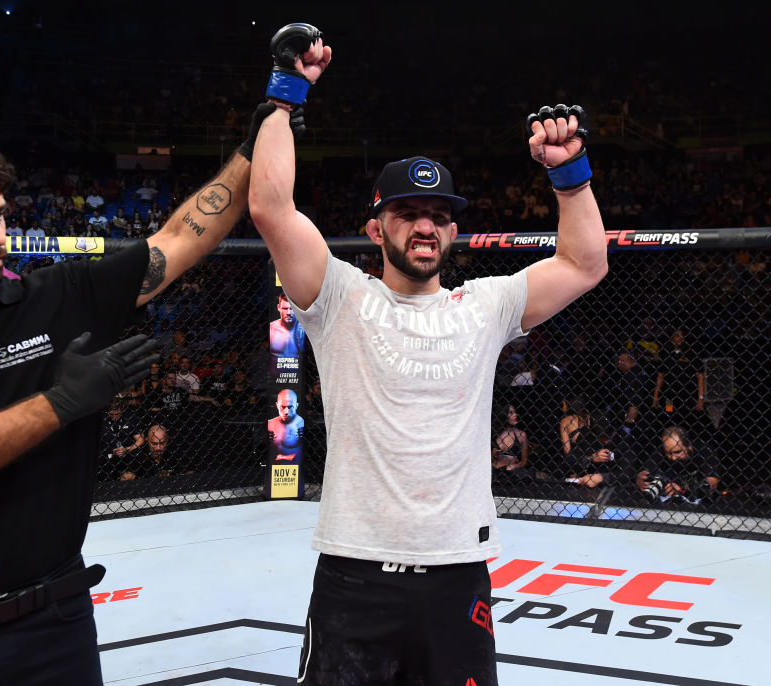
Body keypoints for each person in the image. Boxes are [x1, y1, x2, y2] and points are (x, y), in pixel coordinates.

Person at [0, 102, 295, 685]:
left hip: (53, 622)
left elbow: (181, 237)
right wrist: (59, 403)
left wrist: (266, 124)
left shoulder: (57, 297)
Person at [247, 24, 607, 685]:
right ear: (375, 225)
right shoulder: (339, 298)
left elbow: (584, 263)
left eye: (438, 214)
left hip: (457, 573)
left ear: (453, 229)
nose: (424, 226)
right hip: (354, 571)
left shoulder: (487, 305)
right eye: (408, 212)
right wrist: (285, 91)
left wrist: (569, 173)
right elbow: (271, 207)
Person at [635, 426, 721, 505]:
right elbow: (646, 473)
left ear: (689, 446)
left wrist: (683, 490)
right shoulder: (660, 452)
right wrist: (641, 479)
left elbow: (711, 483)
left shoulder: (705, 451)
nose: (673, 458)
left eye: (678, 452)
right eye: (669, 453)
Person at [269, 291, 306, 376]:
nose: (289, 313)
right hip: (275, 380)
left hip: (299, 379)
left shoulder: (304, 329)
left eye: (292, 308)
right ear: (279, 307)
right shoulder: (271, 328)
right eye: (285, 308)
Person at [268, 388, 304, 462]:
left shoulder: (301, 424)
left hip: (296, 467)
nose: (286, 412)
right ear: (277, 405)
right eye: (283, 407)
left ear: (296, 406)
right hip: (275, 469)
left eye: (290, 407)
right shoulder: (270, 424)